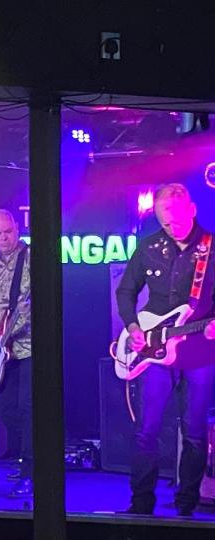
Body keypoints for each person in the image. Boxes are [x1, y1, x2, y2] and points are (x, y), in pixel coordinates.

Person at [116, 183, 215, 516]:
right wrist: (133, 328)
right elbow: (125, 291)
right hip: (154, 351)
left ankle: (186, 508)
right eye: (164, 222)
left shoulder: (211, 247)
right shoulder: (148, 247)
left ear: (192, 210)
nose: (172, 228)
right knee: (146, 430)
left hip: (200, 351)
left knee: (195, 433)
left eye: (177, 220)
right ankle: (141, 504)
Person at [0, 208, 32, 497]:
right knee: (6, 410)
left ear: (17, 228)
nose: (4, 238)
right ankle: (27, 459)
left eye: (8, 232)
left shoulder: (31, 258)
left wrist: (15, 328)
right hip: (3, 351)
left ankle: (31, 472)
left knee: (29, 408)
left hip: (31, 346)